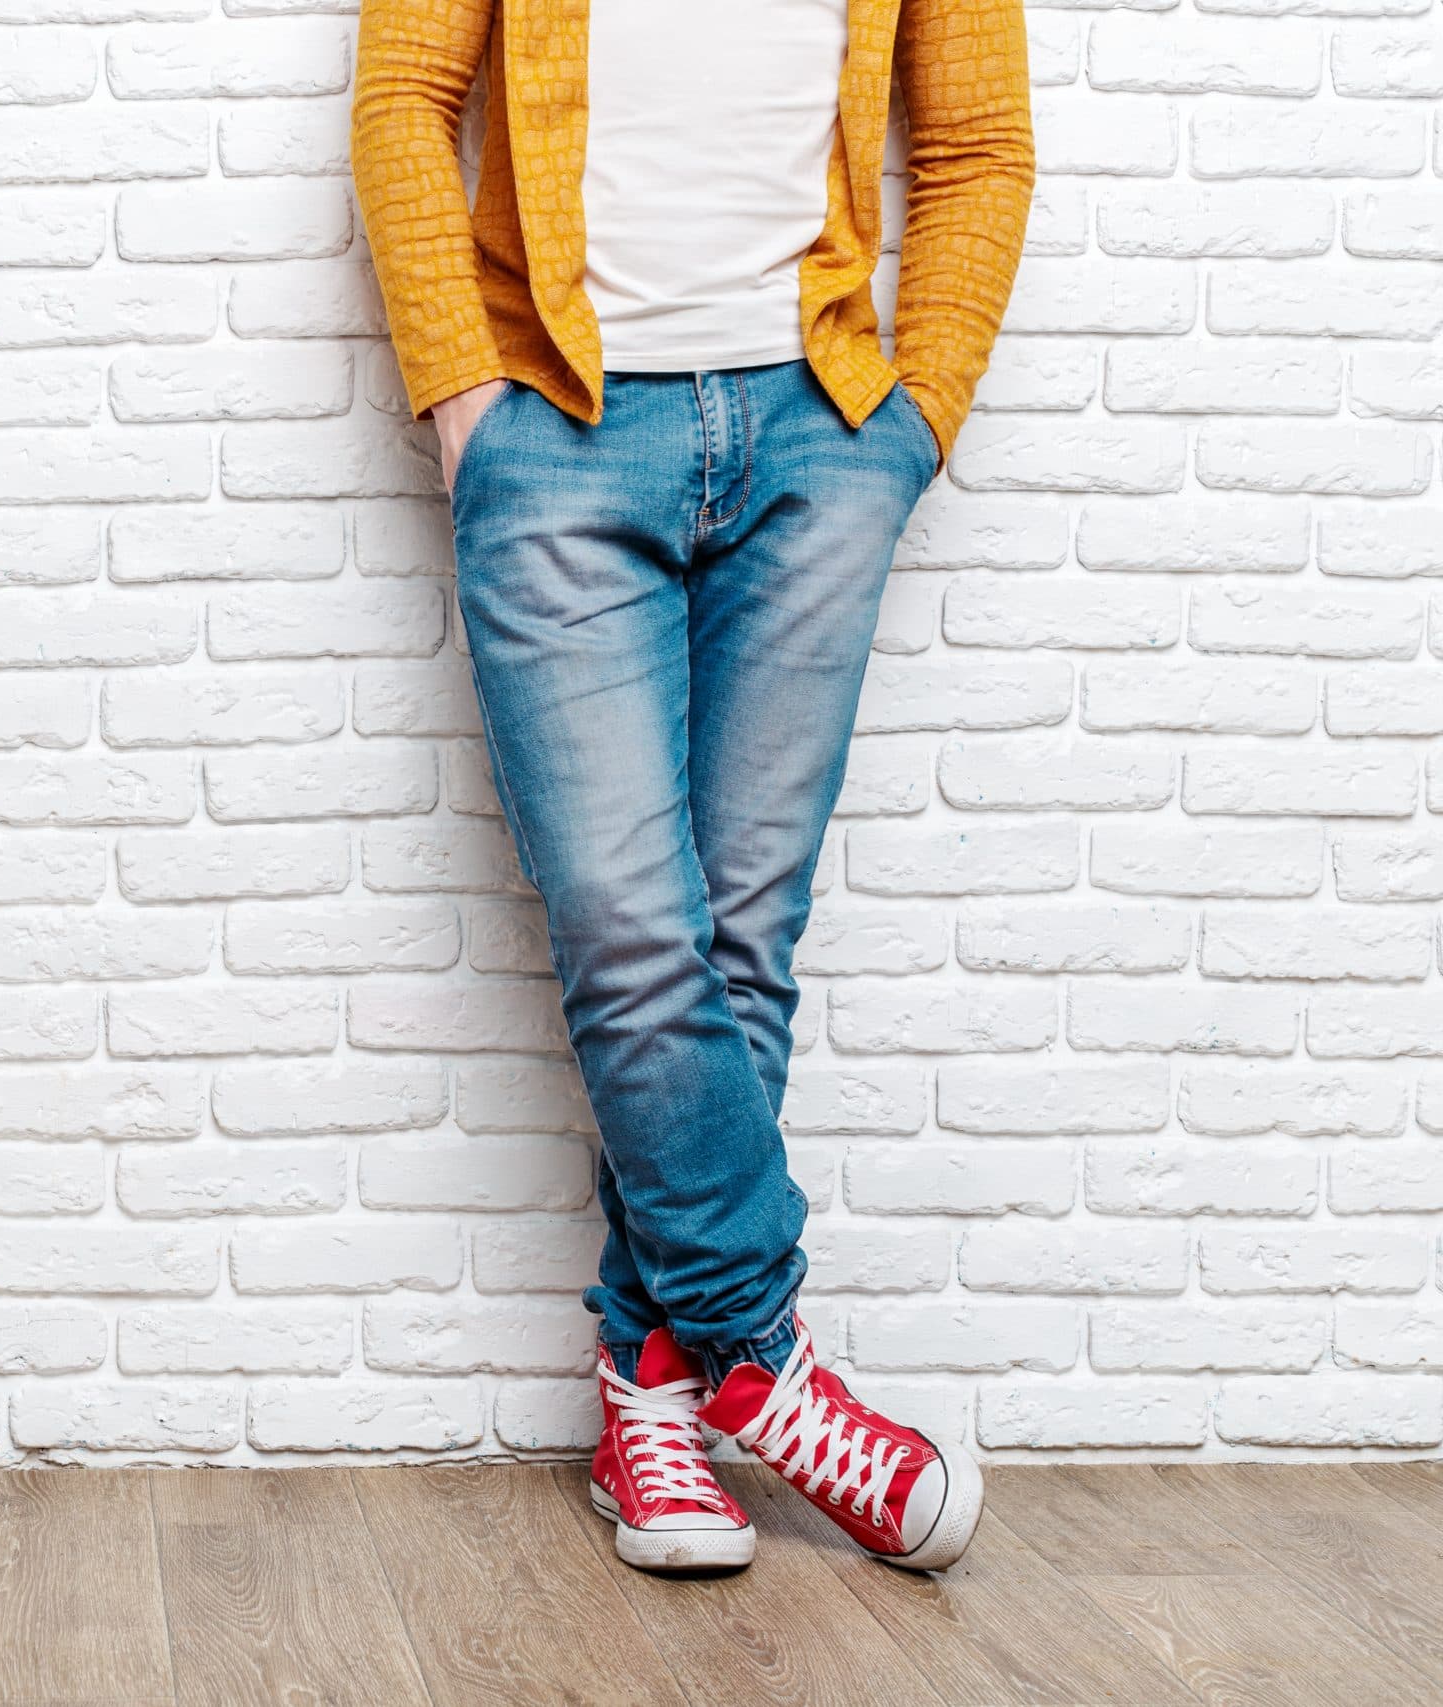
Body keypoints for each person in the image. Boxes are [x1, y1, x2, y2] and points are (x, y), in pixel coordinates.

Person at [353, 0, 1033, 1574]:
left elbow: (980, 146)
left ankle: (651, 1396)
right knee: (628, 931)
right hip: (561, 438)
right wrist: (469, 404)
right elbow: (405, 94)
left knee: (737, 947)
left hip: (820, 431)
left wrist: (912, 422)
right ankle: (770, 1374)